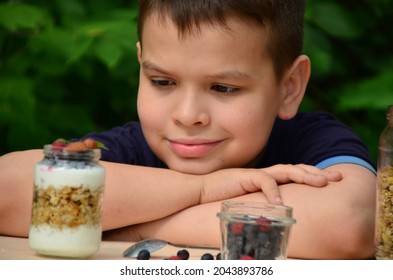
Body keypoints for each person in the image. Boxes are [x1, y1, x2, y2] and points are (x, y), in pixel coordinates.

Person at [0, 0, 376, 259]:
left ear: (289, 86)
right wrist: (203, 188)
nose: (187, 115)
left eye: (224, 88)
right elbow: (7, 190)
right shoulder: (133, 147)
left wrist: (128, 224)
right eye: (162, 82)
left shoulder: (310, 141)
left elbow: (349, 224)